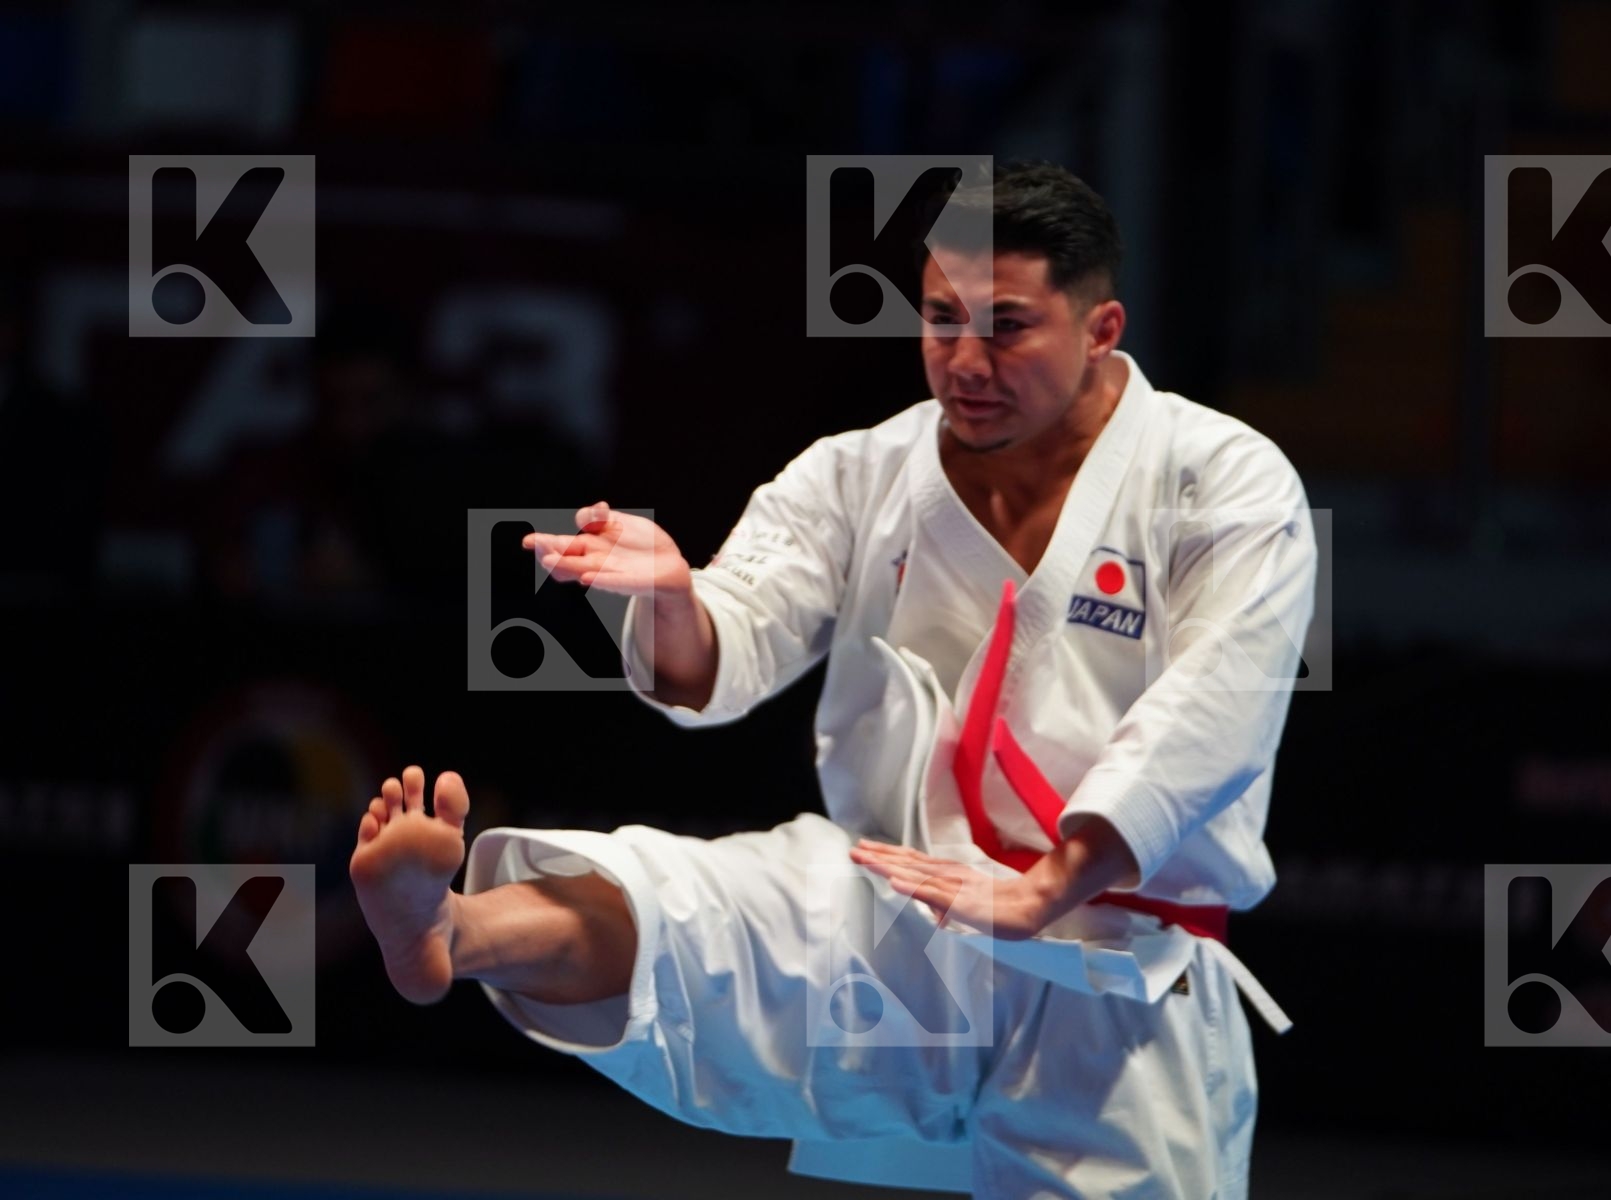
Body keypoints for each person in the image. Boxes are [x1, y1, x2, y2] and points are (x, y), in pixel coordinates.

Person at [350, 161, 1316, 1198]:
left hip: (1118, 957)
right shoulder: (862, 473)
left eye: (1007, 325)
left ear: (1102, 329)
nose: (965, 359)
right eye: (942, 319)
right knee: (693, 910)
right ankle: (450, 930)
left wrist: (1052, 883)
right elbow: (729, 645)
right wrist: (677, 598)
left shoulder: (1222, 481)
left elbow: (1217, 707)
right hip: (899, 905)